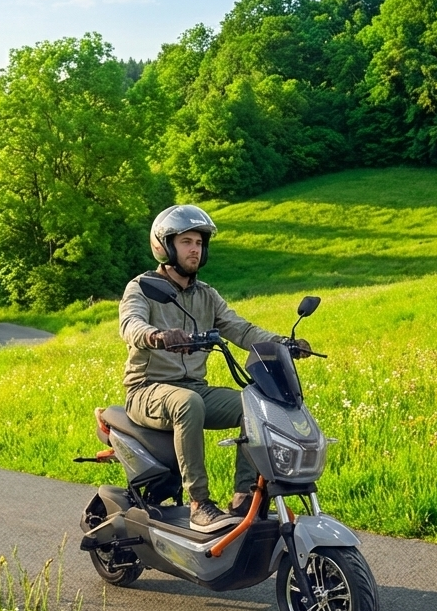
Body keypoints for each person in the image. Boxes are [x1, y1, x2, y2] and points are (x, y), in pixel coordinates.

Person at [118, 205, 309, 532]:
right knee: (187, 403)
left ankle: (244, 496)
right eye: (186, 241)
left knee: (255, 405)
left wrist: (282, 345)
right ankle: (199, 503)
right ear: (164, 246)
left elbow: (241, 329)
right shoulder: (142, 288)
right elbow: (130, 324)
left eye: (199, 243)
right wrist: (157, 336)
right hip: (147, 390)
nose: (195, 249)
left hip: (195, 388)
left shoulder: (206, 295)